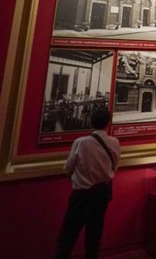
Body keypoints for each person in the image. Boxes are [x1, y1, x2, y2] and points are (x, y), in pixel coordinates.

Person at [53, 108, 120, 259]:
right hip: (102, 194)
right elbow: (114, 167)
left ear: (91, 122)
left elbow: (69, 168)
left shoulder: (80, 142)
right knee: (95, 233)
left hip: (82, 195)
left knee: (68, 234)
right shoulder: (115, 142)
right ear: (108, 123)